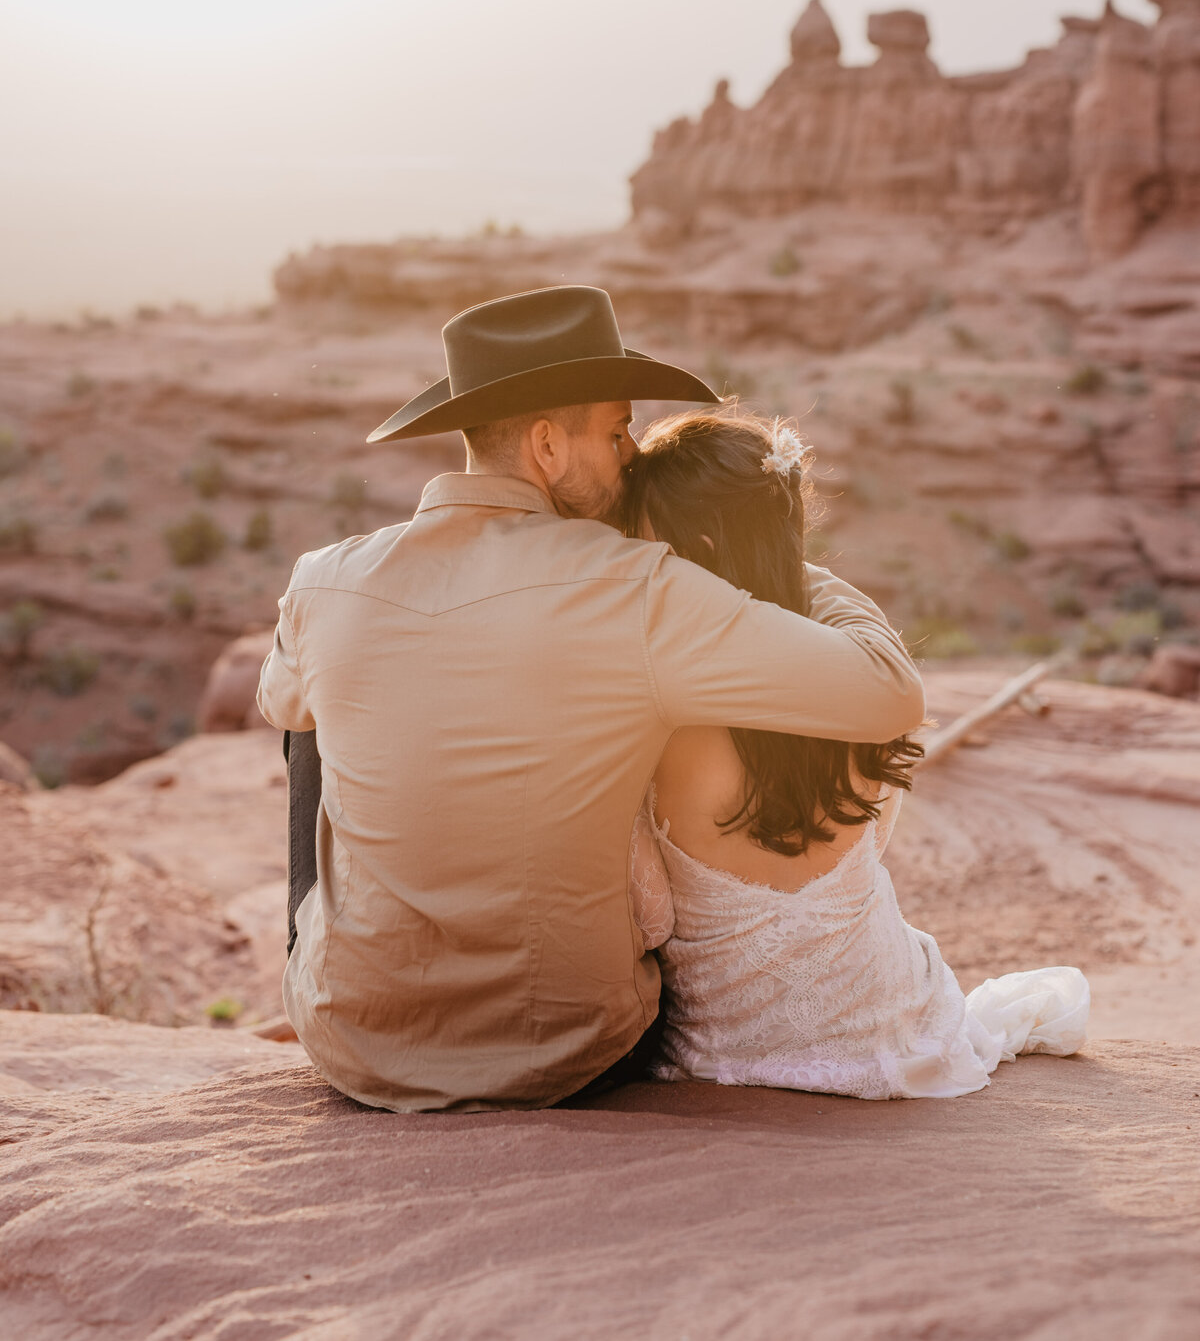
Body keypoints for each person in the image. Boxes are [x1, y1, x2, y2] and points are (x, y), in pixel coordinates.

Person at [257, 284, 925, 1112]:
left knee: (312, 719)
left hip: (351, 1046)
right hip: (576, 1057)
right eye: (615, 433)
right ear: (546, 445)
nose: (631, 456)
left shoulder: (324, 579)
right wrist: (781, 568)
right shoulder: (641, 589)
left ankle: (319, 962)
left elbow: (279, 704)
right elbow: (889, 694)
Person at [624, 406, 1089, 1099]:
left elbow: (650, 912)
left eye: (650, 544)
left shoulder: (661, 719)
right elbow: (877, 840)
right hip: (895, 1034)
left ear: (693, 549)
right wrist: (771, 565)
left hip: (725, 1048)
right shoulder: (860, 695)